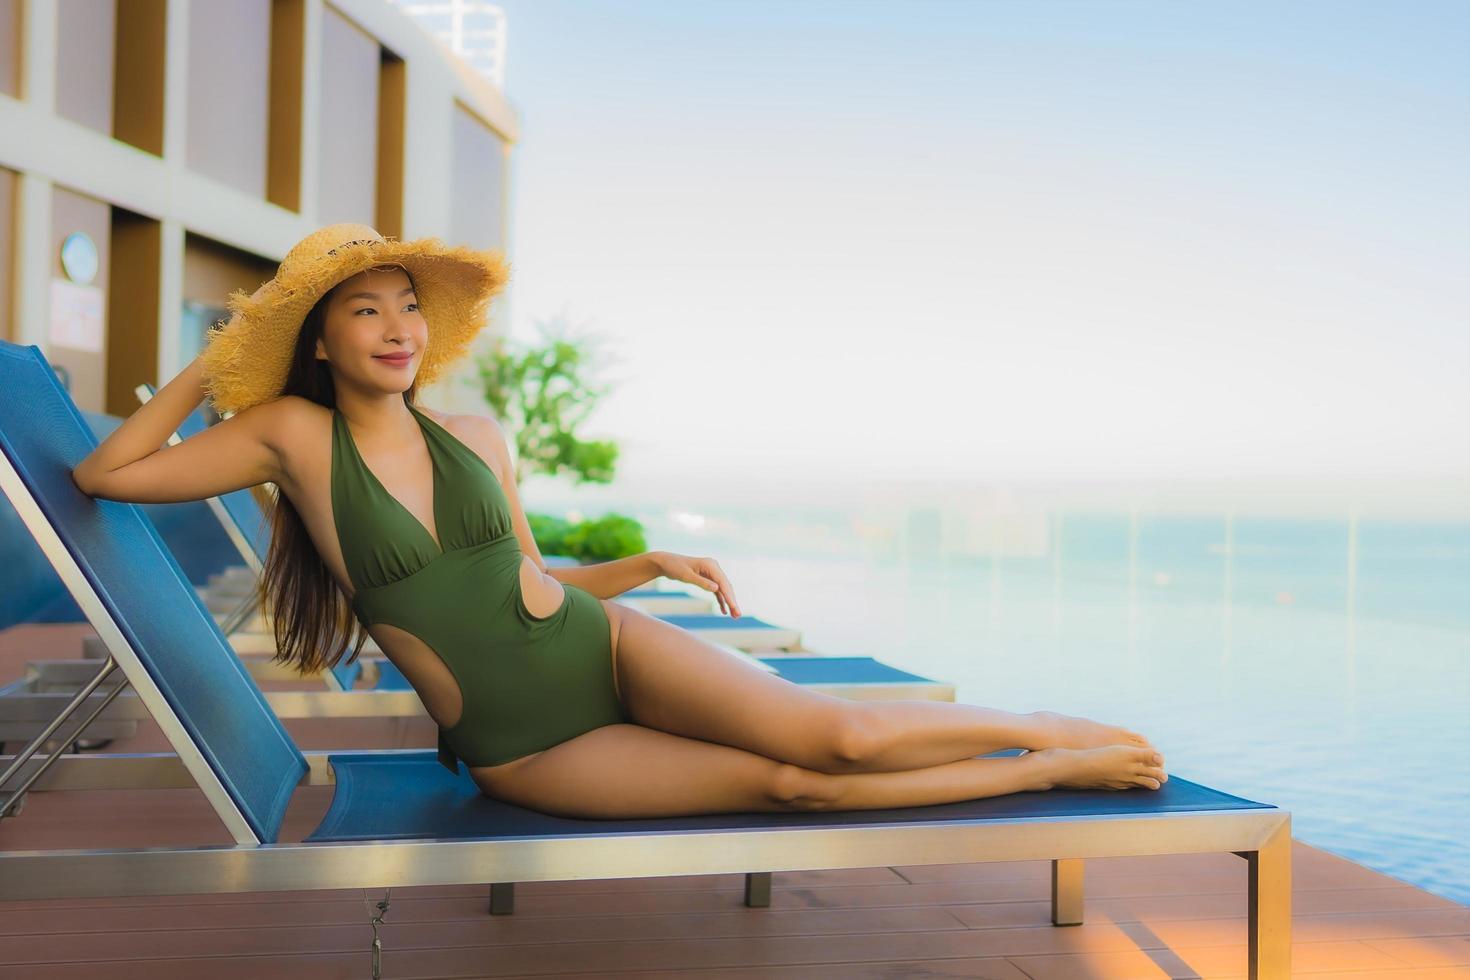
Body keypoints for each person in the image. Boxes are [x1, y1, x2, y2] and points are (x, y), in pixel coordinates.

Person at [72, 223, 1167, 820]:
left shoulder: (475, 435)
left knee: (844, 735)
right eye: (367, 306)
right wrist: (212, 360)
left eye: (408, 304)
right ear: (322, 338)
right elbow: (107, 472)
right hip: (526, 742)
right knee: (797, 787)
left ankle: (1041, 722)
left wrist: (639, 562)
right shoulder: (290, 438)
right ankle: (1037, 771)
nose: (398, 324)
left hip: (600, 646)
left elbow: (528, 580)